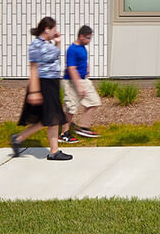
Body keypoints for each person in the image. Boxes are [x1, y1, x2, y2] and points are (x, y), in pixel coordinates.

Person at [10, 17, 72, 161]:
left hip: (52, 83)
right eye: (54, 29)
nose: (56, 32)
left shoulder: (48, 43)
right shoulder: (36, 45)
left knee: (50, 118)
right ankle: (53, 151)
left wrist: (57, 43)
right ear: (47, 29)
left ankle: (19, 139)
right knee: (52, 117)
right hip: (44, 84)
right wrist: (34, 91)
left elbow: (54, 57)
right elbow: (33, 68)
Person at [62, 26, 100, 142]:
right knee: (71, 108)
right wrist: (78, 85)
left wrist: (87, 68)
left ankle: (83, 127)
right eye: (88, 38)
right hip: (71, 81)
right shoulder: (72, 50)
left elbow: (83, 60)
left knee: (94, 102)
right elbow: (71, 69)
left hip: (83, 79)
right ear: (81, 36)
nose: (89, 40)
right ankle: (64, 134)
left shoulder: (83, 47)